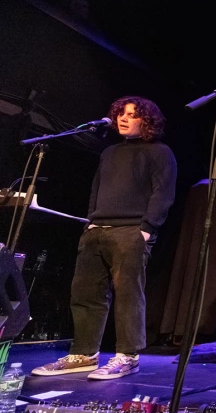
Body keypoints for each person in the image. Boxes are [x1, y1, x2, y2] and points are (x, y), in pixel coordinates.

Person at [33, 97, 177, 379]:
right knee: (84, 294)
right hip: (97, 229)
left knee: (127, 295)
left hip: (132, 230)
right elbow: (96, 190)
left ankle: (128, 356)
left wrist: (146, 228)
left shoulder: (160, 152)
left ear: (147, 121)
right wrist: (90, 222)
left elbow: (163, 193)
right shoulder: (109, 152)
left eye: (132, 115)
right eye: (120, 114)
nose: (123, 119)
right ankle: (84, 354)